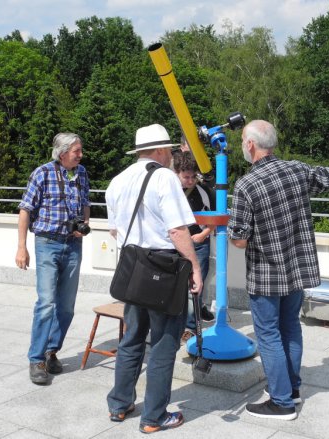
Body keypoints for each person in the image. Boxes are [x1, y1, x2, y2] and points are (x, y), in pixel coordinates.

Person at [228, 120, 329, 420]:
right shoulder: (297, 170)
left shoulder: (246, 185)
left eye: (242, 140)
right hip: (297, 271)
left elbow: (239, 241)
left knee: (268, 335)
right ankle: (291, 389)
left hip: (266, 274)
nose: (242, 144)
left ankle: (281, 402)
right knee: (290, 327)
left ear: (250, 145)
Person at [105, 123, 203, 434]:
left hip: (132, 266)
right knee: (163, 343)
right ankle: (154, 417)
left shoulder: (117, 181)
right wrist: (195, 267)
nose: (173, 155)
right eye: (171, 150)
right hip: (162, 268)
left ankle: (119, 405)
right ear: (161, 150)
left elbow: (114, 230)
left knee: (132, 337)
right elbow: (177, 231)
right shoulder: (164, 177)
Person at [15, 133, 91, 385]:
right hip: (47, 244)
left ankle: (51, 351)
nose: (81, 155)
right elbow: (25, 209)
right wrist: (21, 247)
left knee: (66, 306)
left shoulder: (80, 173)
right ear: (62, 153)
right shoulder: (43, 173)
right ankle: (36, 359)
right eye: (76, 151)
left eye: (80, 151)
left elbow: (86, 203)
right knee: (46, 303)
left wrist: (84, 223)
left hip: (73, 245)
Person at [172, 150, 215, 345]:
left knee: (194, 289)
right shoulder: (169, 190)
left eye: (192, 176)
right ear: (176, 173)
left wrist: (203, 235)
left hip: (199, 245)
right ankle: (174, 325)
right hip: (173, 246)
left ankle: (190, 328)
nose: (190, 180)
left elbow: (216, 218)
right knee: (174, 288)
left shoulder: (205, 191)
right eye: (186, 177)